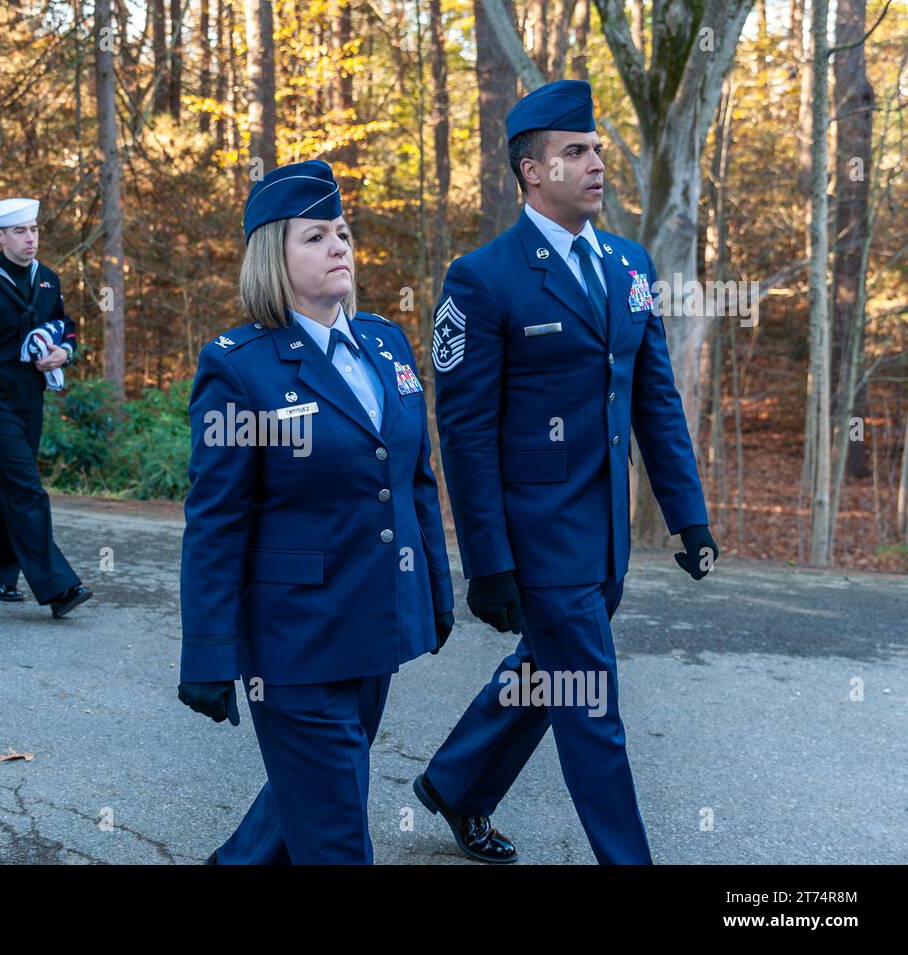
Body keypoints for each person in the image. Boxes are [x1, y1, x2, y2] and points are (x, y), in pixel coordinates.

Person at [418, 80, 719, 865]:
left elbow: (654, 396)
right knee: (590, 702)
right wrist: (489, 560)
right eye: (576, 152)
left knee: (549, 675)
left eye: (597, 149)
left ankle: (457, 783)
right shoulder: (485, 278)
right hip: (538, 539)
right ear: (531, 172)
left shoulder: (628, 263)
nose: (596, 164)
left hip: (606, 536)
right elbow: (467, 431)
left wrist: (689, 515)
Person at [177, 159, 454, 864]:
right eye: (315, 236)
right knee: (335, 833)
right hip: (293, 644)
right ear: (274, 255)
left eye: (343, 232)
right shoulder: (240, 368)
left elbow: (414, 478)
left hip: (376, 625)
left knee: (314, 789)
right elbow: (217, 520)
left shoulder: (385, 343)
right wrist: (208, 651)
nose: (340, 246)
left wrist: (435, 589)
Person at [0, 197, 91, 617]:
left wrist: (65, 353)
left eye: (34, 230)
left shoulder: (48, 279)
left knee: (7, 490)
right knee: (27, 490)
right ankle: (59, 587)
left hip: (32, 401)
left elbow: (68, 328)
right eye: (20, 231)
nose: (30, 238)